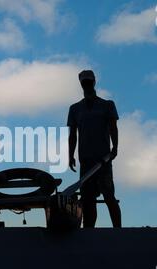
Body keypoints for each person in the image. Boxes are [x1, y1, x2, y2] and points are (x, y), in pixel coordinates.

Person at [67, 70, 122, 228]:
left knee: (109, 196)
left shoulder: (107, 105)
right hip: (86, 161)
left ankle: (118, 231)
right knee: (88, 199)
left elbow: (113, 128)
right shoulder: (75, 109)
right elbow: (73, 135)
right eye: (84, 82)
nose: (87, 84)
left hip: (103, 160)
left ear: (94, 82)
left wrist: (115, 148)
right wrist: (70, 155)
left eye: (89, 81)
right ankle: (89, 232)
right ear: (81, 84)